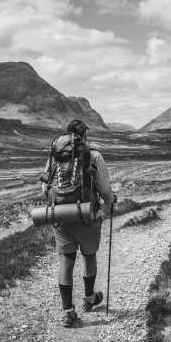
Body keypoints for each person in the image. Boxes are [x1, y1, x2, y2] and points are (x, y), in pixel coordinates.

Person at [41, 119, 117, 328]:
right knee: (89, 255)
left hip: (61, 215)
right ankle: (89, 298)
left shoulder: (55, 155)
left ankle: (68, 312)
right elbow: (104, 188)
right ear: (84, 136)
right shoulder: (94, 155)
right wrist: (110, 202)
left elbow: (44, 187)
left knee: (66, 260)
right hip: (86, 214)